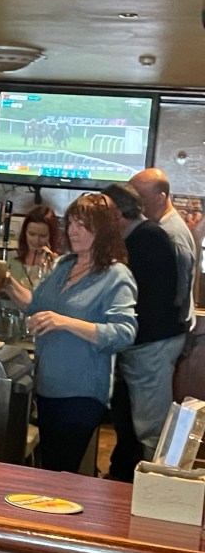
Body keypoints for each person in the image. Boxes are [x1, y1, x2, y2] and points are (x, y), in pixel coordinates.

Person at [4, 193, 137, 473]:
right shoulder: (64, 265)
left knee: (59, 472)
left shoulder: (115, 275)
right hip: (47, 386)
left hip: (82, 393)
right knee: (50, 470)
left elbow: (124, 333)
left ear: (103, 230)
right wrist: (5, 282)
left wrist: (64, 322)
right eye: (72, 223)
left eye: (83, 225)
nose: (73, 231)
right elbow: (35, 305)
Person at [103, 183, 185, 477]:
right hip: (146, 341)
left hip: (151, 343)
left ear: (117, 213)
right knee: (132, 421)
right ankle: (128, 480)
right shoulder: (142, 234)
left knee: (150, 427)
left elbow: (149, 299)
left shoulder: (147, 237)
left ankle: (157, 488)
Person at [129, 168, 195, 328]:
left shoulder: (170, 234)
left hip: (166, 330)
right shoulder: (158, 227)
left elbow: (180, 293)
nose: (134, 204)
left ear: (160, 198)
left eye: (140, 197)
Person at [5, 205, 60, 290]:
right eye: (31, 234)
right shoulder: (11, 257)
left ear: (51, 236)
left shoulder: (57, 263)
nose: (36, 240)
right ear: (24, 233)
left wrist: (53, 261)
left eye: (42, 236)